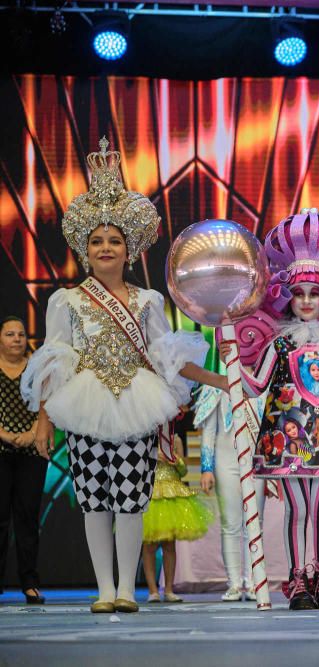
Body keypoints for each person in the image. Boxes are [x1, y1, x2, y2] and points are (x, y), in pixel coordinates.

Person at [20, 138, 227, 614]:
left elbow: (165, 358)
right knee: (95, 498)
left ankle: (130, 592)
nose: (105, 247)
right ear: (84, 249)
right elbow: (54, 361)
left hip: (136, 401)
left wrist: (216, 379)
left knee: (132, 500)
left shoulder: (149, 301)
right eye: (97, 241)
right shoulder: (65, 301)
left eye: (114, 241)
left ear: (128, 249)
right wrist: (45, 419)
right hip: (86, 404)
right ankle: (104, 589)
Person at [222, 210, 319, 611]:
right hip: (287, 436)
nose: (307, 301)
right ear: (287, 296)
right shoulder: (280, 342)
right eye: (300, 293)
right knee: (297, 508)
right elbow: (257, 385)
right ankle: (300, 578)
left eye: (315, 293)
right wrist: (233, 359)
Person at [193, 382, 268, 601]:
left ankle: (255, 582)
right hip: (225, 461)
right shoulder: (215, 385)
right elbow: (209, 430)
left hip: (256, 461)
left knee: (255, 524)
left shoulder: (261, 385)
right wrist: (206, 468)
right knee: (230, 524)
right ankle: (234, 583)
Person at [0, 316, 46, 605]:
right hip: (0, 449)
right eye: (9, 334)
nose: (16, 339)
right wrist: (3, 434)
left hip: (32, 451)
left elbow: (48, 403)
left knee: (27, 518)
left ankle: (29, 583)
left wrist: (32, 433)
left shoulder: (37, 369)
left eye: (21, 334)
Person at [141, 426, 213, 603]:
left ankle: (169, 590)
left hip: (172, 494)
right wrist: (152, 457)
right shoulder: (144, 436)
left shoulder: (175, 439)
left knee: (169, 545)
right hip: (151, 493)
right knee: (149, 545)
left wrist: (175, 460)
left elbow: (184, 471)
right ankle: (152, 591)